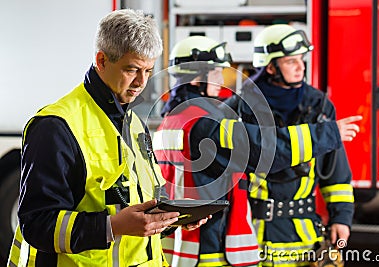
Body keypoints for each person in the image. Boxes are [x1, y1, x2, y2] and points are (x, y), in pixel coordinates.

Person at [7, 9, 208, 267]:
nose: (141, 82)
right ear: (101, 61)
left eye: (148, 71)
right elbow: (37, 224)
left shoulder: (134, 124)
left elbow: (137, 210)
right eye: (132, 69)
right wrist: (112, 226)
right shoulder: (56, 126)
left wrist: (171, 218)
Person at [152, 35, 361, 267]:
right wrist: (328, 134)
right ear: (196, 79)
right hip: (212, 252)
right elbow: (263, 147)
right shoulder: (205, 124)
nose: (222, 79)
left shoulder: (171, 121)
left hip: (183, 249)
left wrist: (341, 214)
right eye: (215, 74)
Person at [228, 24, 358, 266]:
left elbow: (335, 169)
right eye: (290, 61)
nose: (301, 66)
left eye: (301, 59)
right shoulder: (239, 108)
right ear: (270, 67)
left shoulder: (319, 105)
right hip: (251, 232)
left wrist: (341, 217)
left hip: (304, 234)